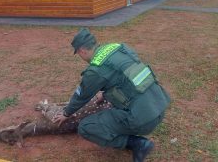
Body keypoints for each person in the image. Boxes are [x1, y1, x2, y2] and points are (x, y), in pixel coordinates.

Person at [53, 28, 171, 162]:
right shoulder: (118, 47)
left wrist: (66, 113)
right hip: (160, 107)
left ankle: (137, 143)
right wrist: (105, 93)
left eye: (78, 53)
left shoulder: (95, 70)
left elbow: (81, 96)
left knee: (85, 127)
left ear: (81, 51)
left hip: (143, 121)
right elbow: (127, 75)